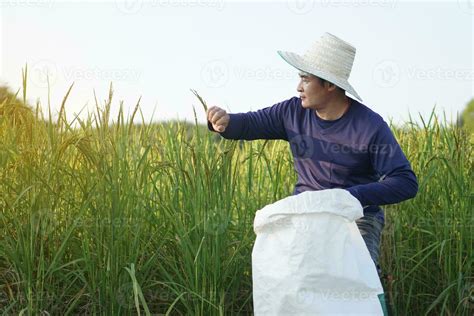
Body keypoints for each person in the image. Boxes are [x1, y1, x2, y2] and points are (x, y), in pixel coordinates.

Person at [206, 32, 418, 275]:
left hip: (356, 220)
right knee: (294, 281)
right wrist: (223, 122)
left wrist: (348, 197)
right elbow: (249, 123)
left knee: (358, 280)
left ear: (329, 85)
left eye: (305, 80)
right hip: (304, 215)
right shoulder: (291, 112)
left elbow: (405, 181)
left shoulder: (370, 126)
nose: (298, 87)